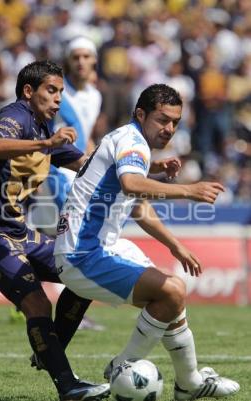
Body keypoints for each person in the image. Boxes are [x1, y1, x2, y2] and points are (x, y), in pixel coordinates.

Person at [53, 84, 240, 400]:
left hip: (98, 246)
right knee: (172, 291)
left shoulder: (126, 140)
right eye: (162, 120)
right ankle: (123, 366)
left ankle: (189, 383)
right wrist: (188, 190)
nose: (169, 129)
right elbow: (131, 184)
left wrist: (173, 244)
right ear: (141, 114)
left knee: (172, 299)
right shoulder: (133, 144)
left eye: (175, 122)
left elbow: (137, 205)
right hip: (83, 253)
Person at [0, 60, 110, 401]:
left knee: (83, 272)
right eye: (51, 90)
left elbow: (87, 164)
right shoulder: (15, 117)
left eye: (60, 91)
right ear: (29, 91)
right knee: (37, 303)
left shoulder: (44, 130)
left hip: (19, 232)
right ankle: (67, 385)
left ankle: (48, 349)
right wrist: (46, 146)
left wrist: (142, 165)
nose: (58, 98)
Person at [31, 36, 103, 332]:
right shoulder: (57, 94)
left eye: (87, 56)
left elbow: (86, 136)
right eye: (76, 57)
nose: (82, 62)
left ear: (94, 61)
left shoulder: (95, 96)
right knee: (71, 238)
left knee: (47, 237)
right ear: (68, 61)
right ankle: (73, 310)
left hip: (80, 173)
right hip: (57, 174)